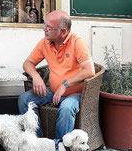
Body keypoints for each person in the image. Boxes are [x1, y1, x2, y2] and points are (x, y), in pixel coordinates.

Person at [18, 10, 95, 142]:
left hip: (75, 94)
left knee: (66, 108)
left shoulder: (77, 43)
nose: (44, 29)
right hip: (53, 91)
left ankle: (59, 150)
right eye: (45, 25)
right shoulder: (45, 42)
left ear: (63, 31)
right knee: (24, 99)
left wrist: (65, 85)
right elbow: (28, 63)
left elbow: (90, 70)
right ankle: (37, 143)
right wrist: (36, 77)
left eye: (49, 27)